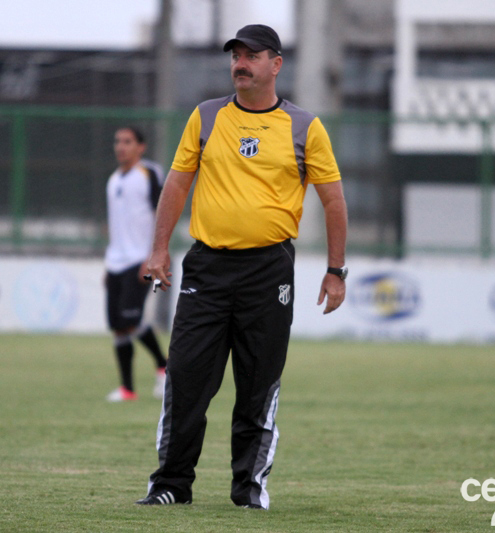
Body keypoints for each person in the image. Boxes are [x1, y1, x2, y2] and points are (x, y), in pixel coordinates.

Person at [135, 24, 348, 509]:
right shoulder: (206, 116)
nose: (241, 62)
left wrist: (336, 271)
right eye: (235, 54)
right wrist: (159, 249)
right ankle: (171, 484)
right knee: (186, 379)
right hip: (207, 268)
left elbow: (333, 201)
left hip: (268, 272)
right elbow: (176, 184)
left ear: (276, 64)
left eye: (252, 54)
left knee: (258, 384)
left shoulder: (305, 127)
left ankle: (249, 488)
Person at [103, 126, 168, 402]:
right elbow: (115, 226)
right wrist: (108, 264)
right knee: (119, 325)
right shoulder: (113, 179)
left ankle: (164, 368)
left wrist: (153, 255)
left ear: (140, 146)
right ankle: (128, 389)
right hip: (116, 262)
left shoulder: (149, 173)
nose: (121, 146)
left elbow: (162, 214)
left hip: (140, 261)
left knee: (132, 321)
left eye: (127, 142)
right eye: (118, 141)